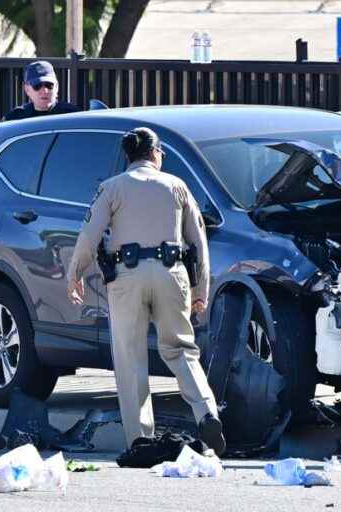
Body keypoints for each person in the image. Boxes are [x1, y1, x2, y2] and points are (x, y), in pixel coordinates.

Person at [66, 127, 225, 454]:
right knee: (181, 350)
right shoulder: (177, 186)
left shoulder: (111, 188)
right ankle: (206, 412)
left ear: (129, 156)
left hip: (127, 278)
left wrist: (75, 274)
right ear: (154, 153)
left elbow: (89, 236)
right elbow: (199, 241)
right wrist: (200, 289)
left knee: (130, 357)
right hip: (172, 274)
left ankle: (140, 438)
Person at [2, 60, 80, 122]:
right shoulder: (15, 119)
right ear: (27, 89)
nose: (45, 91)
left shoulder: (72, 116)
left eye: (49, 85)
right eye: (37, 86)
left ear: (56, 87)